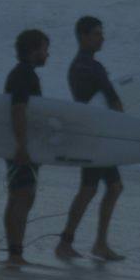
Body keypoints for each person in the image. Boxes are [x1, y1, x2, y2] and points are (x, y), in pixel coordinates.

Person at [55, 16, 127, 261]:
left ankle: (98, 243)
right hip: (96, 137)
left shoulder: (76, 66)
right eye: (96, 33)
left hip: (91, 133)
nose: (102, 37)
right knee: (89, 189)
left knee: (112, 187)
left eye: (101, 33)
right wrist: (125, 129)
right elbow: (114, 101)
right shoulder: (93, 67)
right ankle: (68, 242)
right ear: (83, 36)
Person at [3, 29, 51, 267]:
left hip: (20, 144)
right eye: (44, 49)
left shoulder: (23, 73)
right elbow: (18, 110)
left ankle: (15, 251)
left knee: (20, 196)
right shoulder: (24, 75)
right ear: (33, 51)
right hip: (20, 145)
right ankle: (15, 253)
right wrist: (22, 146)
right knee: (22, 196)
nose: (48, 54)